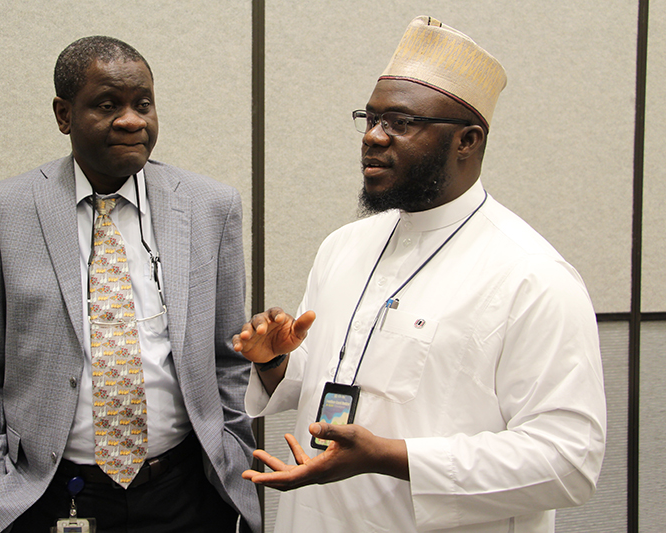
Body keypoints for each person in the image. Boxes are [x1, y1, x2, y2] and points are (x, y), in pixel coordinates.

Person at [233, 16, 606, 533]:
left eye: (400, 123)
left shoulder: (533, 276)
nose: (372, 137)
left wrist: (391, 456)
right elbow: (322, 386)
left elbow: (570, 462)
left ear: (467, 141)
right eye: (369, 118)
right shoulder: (344, 246)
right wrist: (274, 361)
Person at [0, 36, 260, 533]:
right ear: (63, 114)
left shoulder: (211, 207)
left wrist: (232, 450)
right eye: (107, 105)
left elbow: (229, 357)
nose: (132, 120)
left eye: (143, 104)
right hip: (54, 494)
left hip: (185, 490)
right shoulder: (3, 212)